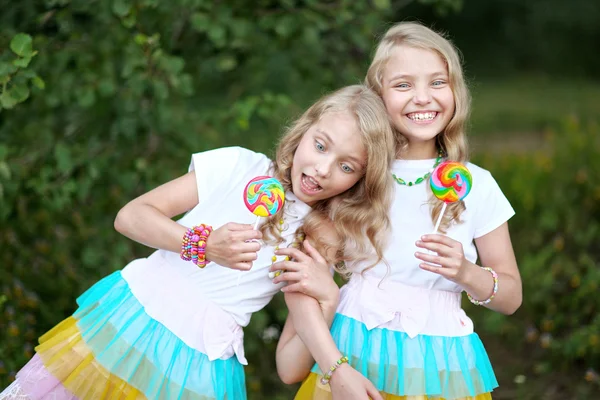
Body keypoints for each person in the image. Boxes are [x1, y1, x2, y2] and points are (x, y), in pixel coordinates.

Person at [0, 85, 396, 400]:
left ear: (360, 181)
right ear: (304, 130)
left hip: (200, 369)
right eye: (321, 145)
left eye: (347, 167)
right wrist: (202, 245)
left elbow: (289, 367)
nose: (322, 169)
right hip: (127, 326)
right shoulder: (239, 167)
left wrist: (327, 300)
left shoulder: (317, 237)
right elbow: (131, 216)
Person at [277, 22, 522, 400]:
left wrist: (466, 272)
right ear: (378, 96)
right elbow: (303, 295)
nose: (422, 98)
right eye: (403, 84)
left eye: (438, 83)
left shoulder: (476, 185)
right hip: (351, 357)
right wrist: (334, 365)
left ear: (456, 91)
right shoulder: (353, 175)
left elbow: (511, 296)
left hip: (441, 367)